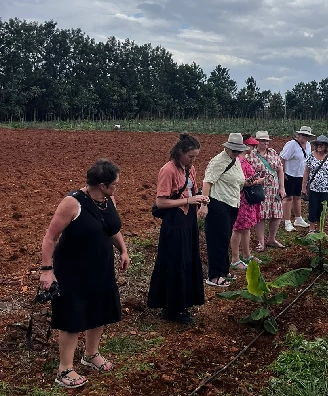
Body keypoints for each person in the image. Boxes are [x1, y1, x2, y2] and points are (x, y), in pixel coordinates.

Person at [39, 159, 130, 389]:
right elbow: (50, 237)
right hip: (73, 270)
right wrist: (47, 270)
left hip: (101, 267)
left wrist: (123, 250)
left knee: (99, 309)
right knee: (72, 316)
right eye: (114, 184)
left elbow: (112, 229)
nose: (116, 187)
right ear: (102, 184)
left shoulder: (108, 200)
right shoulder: (72, 203)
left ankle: (90, 355)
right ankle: (64, 369)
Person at [147, 134, 209, 324]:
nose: (193, 160)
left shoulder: (190, 169)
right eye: (191, 156)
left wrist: (201, 200)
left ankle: (184, 302)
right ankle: (172, 308)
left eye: (195, 156)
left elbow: (194, 191)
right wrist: (188, 200)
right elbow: (161, 202)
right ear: (180, 152)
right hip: (174, 223)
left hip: (188, 220)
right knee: (175, 262)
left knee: (188, 260)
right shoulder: (168, 170)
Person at [198, 133, 248, 287]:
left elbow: (239, 181)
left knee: (225, 238)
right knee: (217, 240)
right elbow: (207, 182)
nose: (236, 153)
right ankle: (214, 276)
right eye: (234, 150)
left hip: (231, 204)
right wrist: (204, 204)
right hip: (218, 204)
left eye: (238, 150)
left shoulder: (235, 160)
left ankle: (224, 271)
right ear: (227, 148)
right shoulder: (219, 161)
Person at [229, 135, 265, 269]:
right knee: (238, 228)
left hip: (247, 199)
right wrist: (258, 181)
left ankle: (247, 255)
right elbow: (243, 182)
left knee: (246, 227)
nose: (253, 147)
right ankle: (235, 258)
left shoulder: (244, 160)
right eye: (252, 145)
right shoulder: (239, 162)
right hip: (242, 199)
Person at [247, 130, 286, 251]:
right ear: (257, 142)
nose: (266, 143)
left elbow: (280, 170)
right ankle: (261, 242)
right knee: (261, 215)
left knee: (277, 213)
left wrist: (282, 187)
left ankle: (272, 239)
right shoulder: (250, 155)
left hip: (274, 188)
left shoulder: (273, 153)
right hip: (260, 189)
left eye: (267, 141)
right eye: (263, 141)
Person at [279, 126, 314, 232]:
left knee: (297, 197)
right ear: (298, 135)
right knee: (288, 198)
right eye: (303, 135)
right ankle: (287, 221)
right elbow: (282, 158)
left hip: (300, 175)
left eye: (307, 135)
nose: (304, 137)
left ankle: (298, 219)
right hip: (289, 174)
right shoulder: (291, 145)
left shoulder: (308, 145)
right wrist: (283, 173)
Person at [301, 135, 328, 233]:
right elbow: (306, 172)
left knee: (322, 209)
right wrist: (303, 187)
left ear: (326, 146)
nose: (319, 146)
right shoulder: (311, 156)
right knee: (313, 208)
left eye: (322, 144)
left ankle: (320, 230)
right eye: (318, 144)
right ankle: (311, 229)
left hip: (326, 189)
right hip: (313, 188)